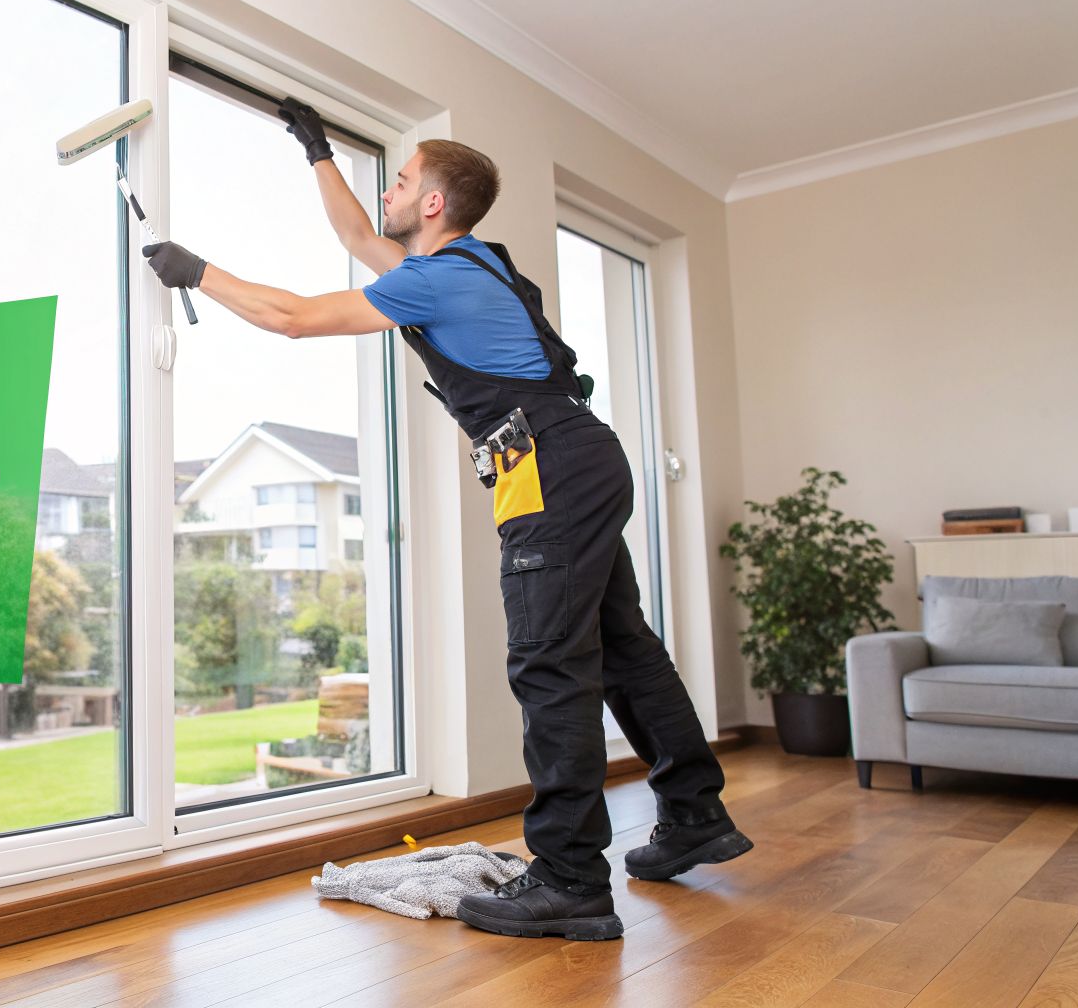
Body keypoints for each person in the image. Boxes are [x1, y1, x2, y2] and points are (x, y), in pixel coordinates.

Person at [140, 99, 752, 942]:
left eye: (399, 180)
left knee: (550, 666)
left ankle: (572, 878)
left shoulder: (439, 278)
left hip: (549, 466)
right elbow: (360, 241)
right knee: (622, 648)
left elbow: (292, 318)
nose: (386, 191)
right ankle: (694, 812)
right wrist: (316, 150)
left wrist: (197, 270)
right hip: (581, 456)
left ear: (432, 204)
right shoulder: (469, 266)